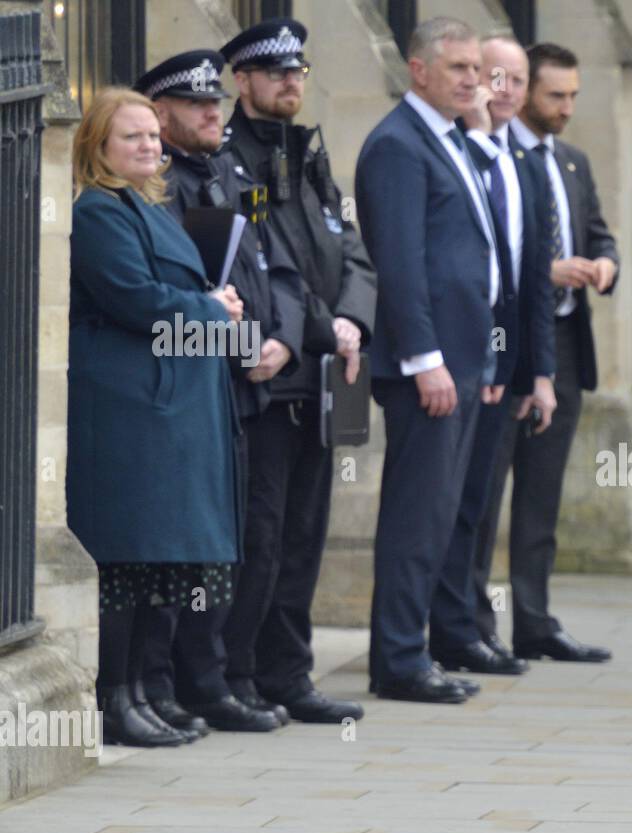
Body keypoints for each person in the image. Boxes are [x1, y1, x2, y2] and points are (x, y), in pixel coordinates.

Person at [133, 48, 306, 735]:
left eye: (215, 101)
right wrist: (237, 345)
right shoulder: (160, 185)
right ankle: (177, 682)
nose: (213, 112)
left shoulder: (233, 174)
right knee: (190, 546)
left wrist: (283, 340)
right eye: (197, 104)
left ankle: (218, 677)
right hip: (198, 389)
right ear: (161, 112)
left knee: (242, 544)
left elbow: (282, 267)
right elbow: (172, 301)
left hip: (256, 385)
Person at [68, 88, 244, 747]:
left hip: (168, 403)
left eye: (151, 135)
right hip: (126, 408)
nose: (148, 146)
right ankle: (113, 697)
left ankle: (143, 689)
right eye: (131, 137)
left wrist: (211, 309)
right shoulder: (96, 210)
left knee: (153, 559)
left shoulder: (151, 203)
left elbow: (176, 298)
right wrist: (212, 312)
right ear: (99, 147)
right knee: (124, 557)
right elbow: (134, 298)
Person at [219, 17, 376, 723]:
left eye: (298, 72)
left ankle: (288, 671)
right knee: (262, 533)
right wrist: (324, 325)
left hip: (321, 372)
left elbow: (355, 254)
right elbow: (265, 265)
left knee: (306, 532)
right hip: (273, 374)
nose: (290, 82)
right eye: (275, 71)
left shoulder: (307, 154)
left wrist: (354, 319)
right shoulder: (234, 161)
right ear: (242, 80)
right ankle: (240, 670)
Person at [356, 17, 504, 703]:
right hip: (430, 366)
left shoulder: (453, 140)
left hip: (466, 361)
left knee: (443, 513)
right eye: (459, 69)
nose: (475, 80)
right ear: (418, 70)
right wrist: (424, 357)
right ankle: (398, 660)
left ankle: (419, 648)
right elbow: (401, 263)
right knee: (416, 517)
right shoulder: (397, 144)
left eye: (477, 68)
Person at [472, 42, 616, 664]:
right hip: (507, 342)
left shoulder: (574, 163)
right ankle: (472, 625)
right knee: (483, 493)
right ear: (527, 92)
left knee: (542, 496)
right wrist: (546, 271)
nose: (566, 107)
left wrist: (604, 264)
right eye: (555, 95)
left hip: (563, 340)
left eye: (573, 96)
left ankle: (533, 620)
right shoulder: (501, 155)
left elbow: (601, 229)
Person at [426, 33, 557, 679]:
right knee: (455, 507)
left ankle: (470, 626)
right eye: (491, 77)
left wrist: (540, 372)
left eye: (512, 79)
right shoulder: (465, 152)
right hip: (461, 359)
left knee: (478, 505)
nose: (500, 90)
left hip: (505, 365)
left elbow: (532, 279)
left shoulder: (526, 163)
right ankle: (457, 629)